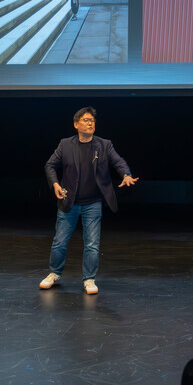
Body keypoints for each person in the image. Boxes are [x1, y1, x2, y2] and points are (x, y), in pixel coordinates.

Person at [40, 107, 138, 295]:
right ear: (76, 125)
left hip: (93, 203)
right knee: (59, 241)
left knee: (92, 244)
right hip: (69, 201)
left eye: (92, 120)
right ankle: (54, 273)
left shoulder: (104, 145)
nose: (90, 123)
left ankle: (89, 279)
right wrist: (55, 184)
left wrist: (126, 174)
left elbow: (118, 161)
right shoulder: (65, 144)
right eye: (85, 120)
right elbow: (50, 165)